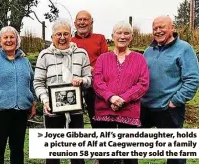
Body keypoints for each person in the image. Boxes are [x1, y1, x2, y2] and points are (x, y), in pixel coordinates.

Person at [141, 16, 199, 164]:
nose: (158, 31)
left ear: (172, 28)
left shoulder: (184, 49)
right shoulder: (148, 51)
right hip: (145, 107)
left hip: (169, 109)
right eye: (155, 28)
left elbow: (192, 80)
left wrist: (175, 101)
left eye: (162, 27)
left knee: (175, 152)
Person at [34, 18, 92, 164]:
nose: (62, 38)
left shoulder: (81, 54)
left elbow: (89, 79)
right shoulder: (45, 55)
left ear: (71, 35)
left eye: (65, 34)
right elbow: (38, 83)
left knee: (77, 154)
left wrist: (82, 80)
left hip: (76, 110)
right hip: (52, 110)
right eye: (58, 34)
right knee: (53, 155)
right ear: (52, 37)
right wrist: (46, 101)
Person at [93, 21, 149, 164]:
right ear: (112, 36)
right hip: (105, 112)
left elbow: (143, 84)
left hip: (129, 112)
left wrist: (123, 99)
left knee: (129, 157)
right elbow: (97, 82)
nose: (122, 36)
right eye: (119, 33)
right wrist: (111, 97)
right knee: (106, 158)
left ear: (131, 37)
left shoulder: (139, 59)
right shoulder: (102, 58)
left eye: (126, 33)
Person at [0, 26, 37, 164]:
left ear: (17, 40)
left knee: (17, 149)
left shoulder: (25, 61)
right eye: (5, 37)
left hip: (21, 111)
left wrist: (33, 102)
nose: (8, 40)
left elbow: (31, 83)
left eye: (12, 37)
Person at [71, 10, 109, 128]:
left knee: (97, 121)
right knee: (74, 121)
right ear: (75, 23)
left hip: (95, 86)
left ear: (91, 22)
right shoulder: (69, 41)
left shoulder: (100, 38)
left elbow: (106, 61)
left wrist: (91, 70)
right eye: (80, 20)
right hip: (74, 86)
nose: (82, 22)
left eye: (85, 19)